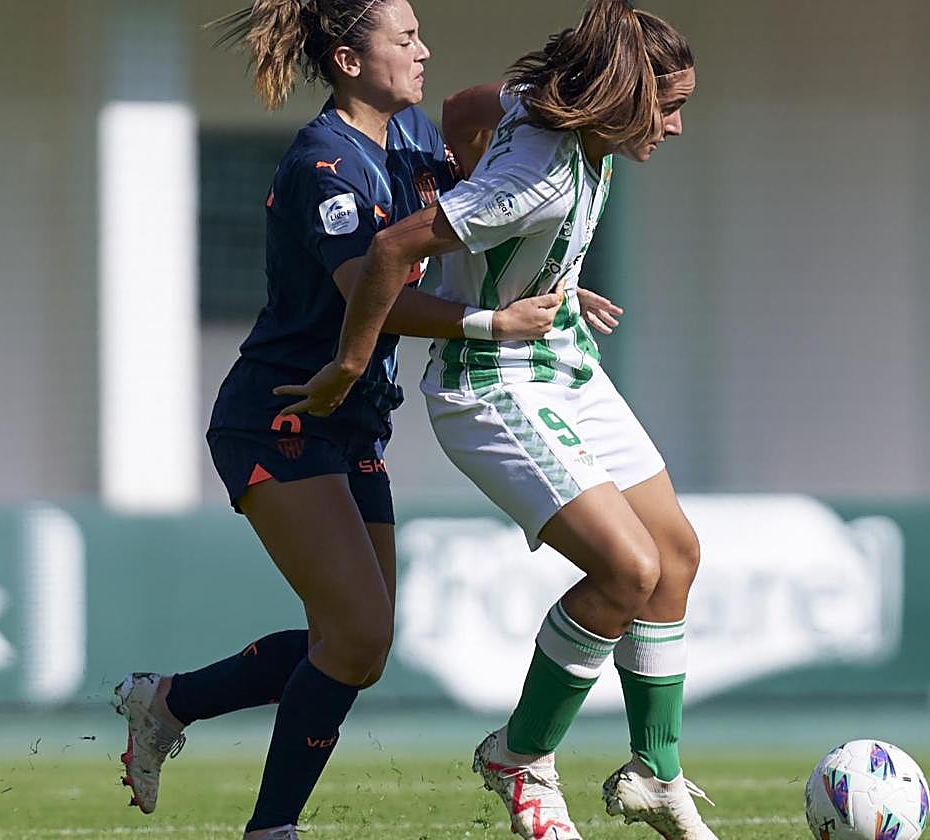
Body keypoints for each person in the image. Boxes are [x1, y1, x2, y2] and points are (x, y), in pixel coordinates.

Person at [109, 2, 561, 838]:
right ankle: (269, 828)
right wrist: (492, 324)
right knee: (355, 635)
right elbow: (371, 293)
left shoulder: (417, 139)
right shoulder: (325, 162)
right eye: (405, 38)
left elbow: (478, 182)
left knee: (358, 645)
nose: (423, 50)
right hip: (279, 415)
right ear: (350, 62)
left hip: (352, 424)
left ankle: (169, 700)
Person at [277, 1, 714, 837]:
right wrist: (351, 362)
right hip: (494, 382)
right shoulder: (534, 178)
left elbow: (466, 112)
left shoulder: (533, 107)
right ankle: (520, 756)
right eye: (668, 106)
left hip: (567, 362)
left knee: (676, 556)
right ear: (621, 97)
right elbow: (391, 250)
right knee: (626, 571)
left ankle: (656, 771)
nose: (678, 126)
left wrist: (530, 265)